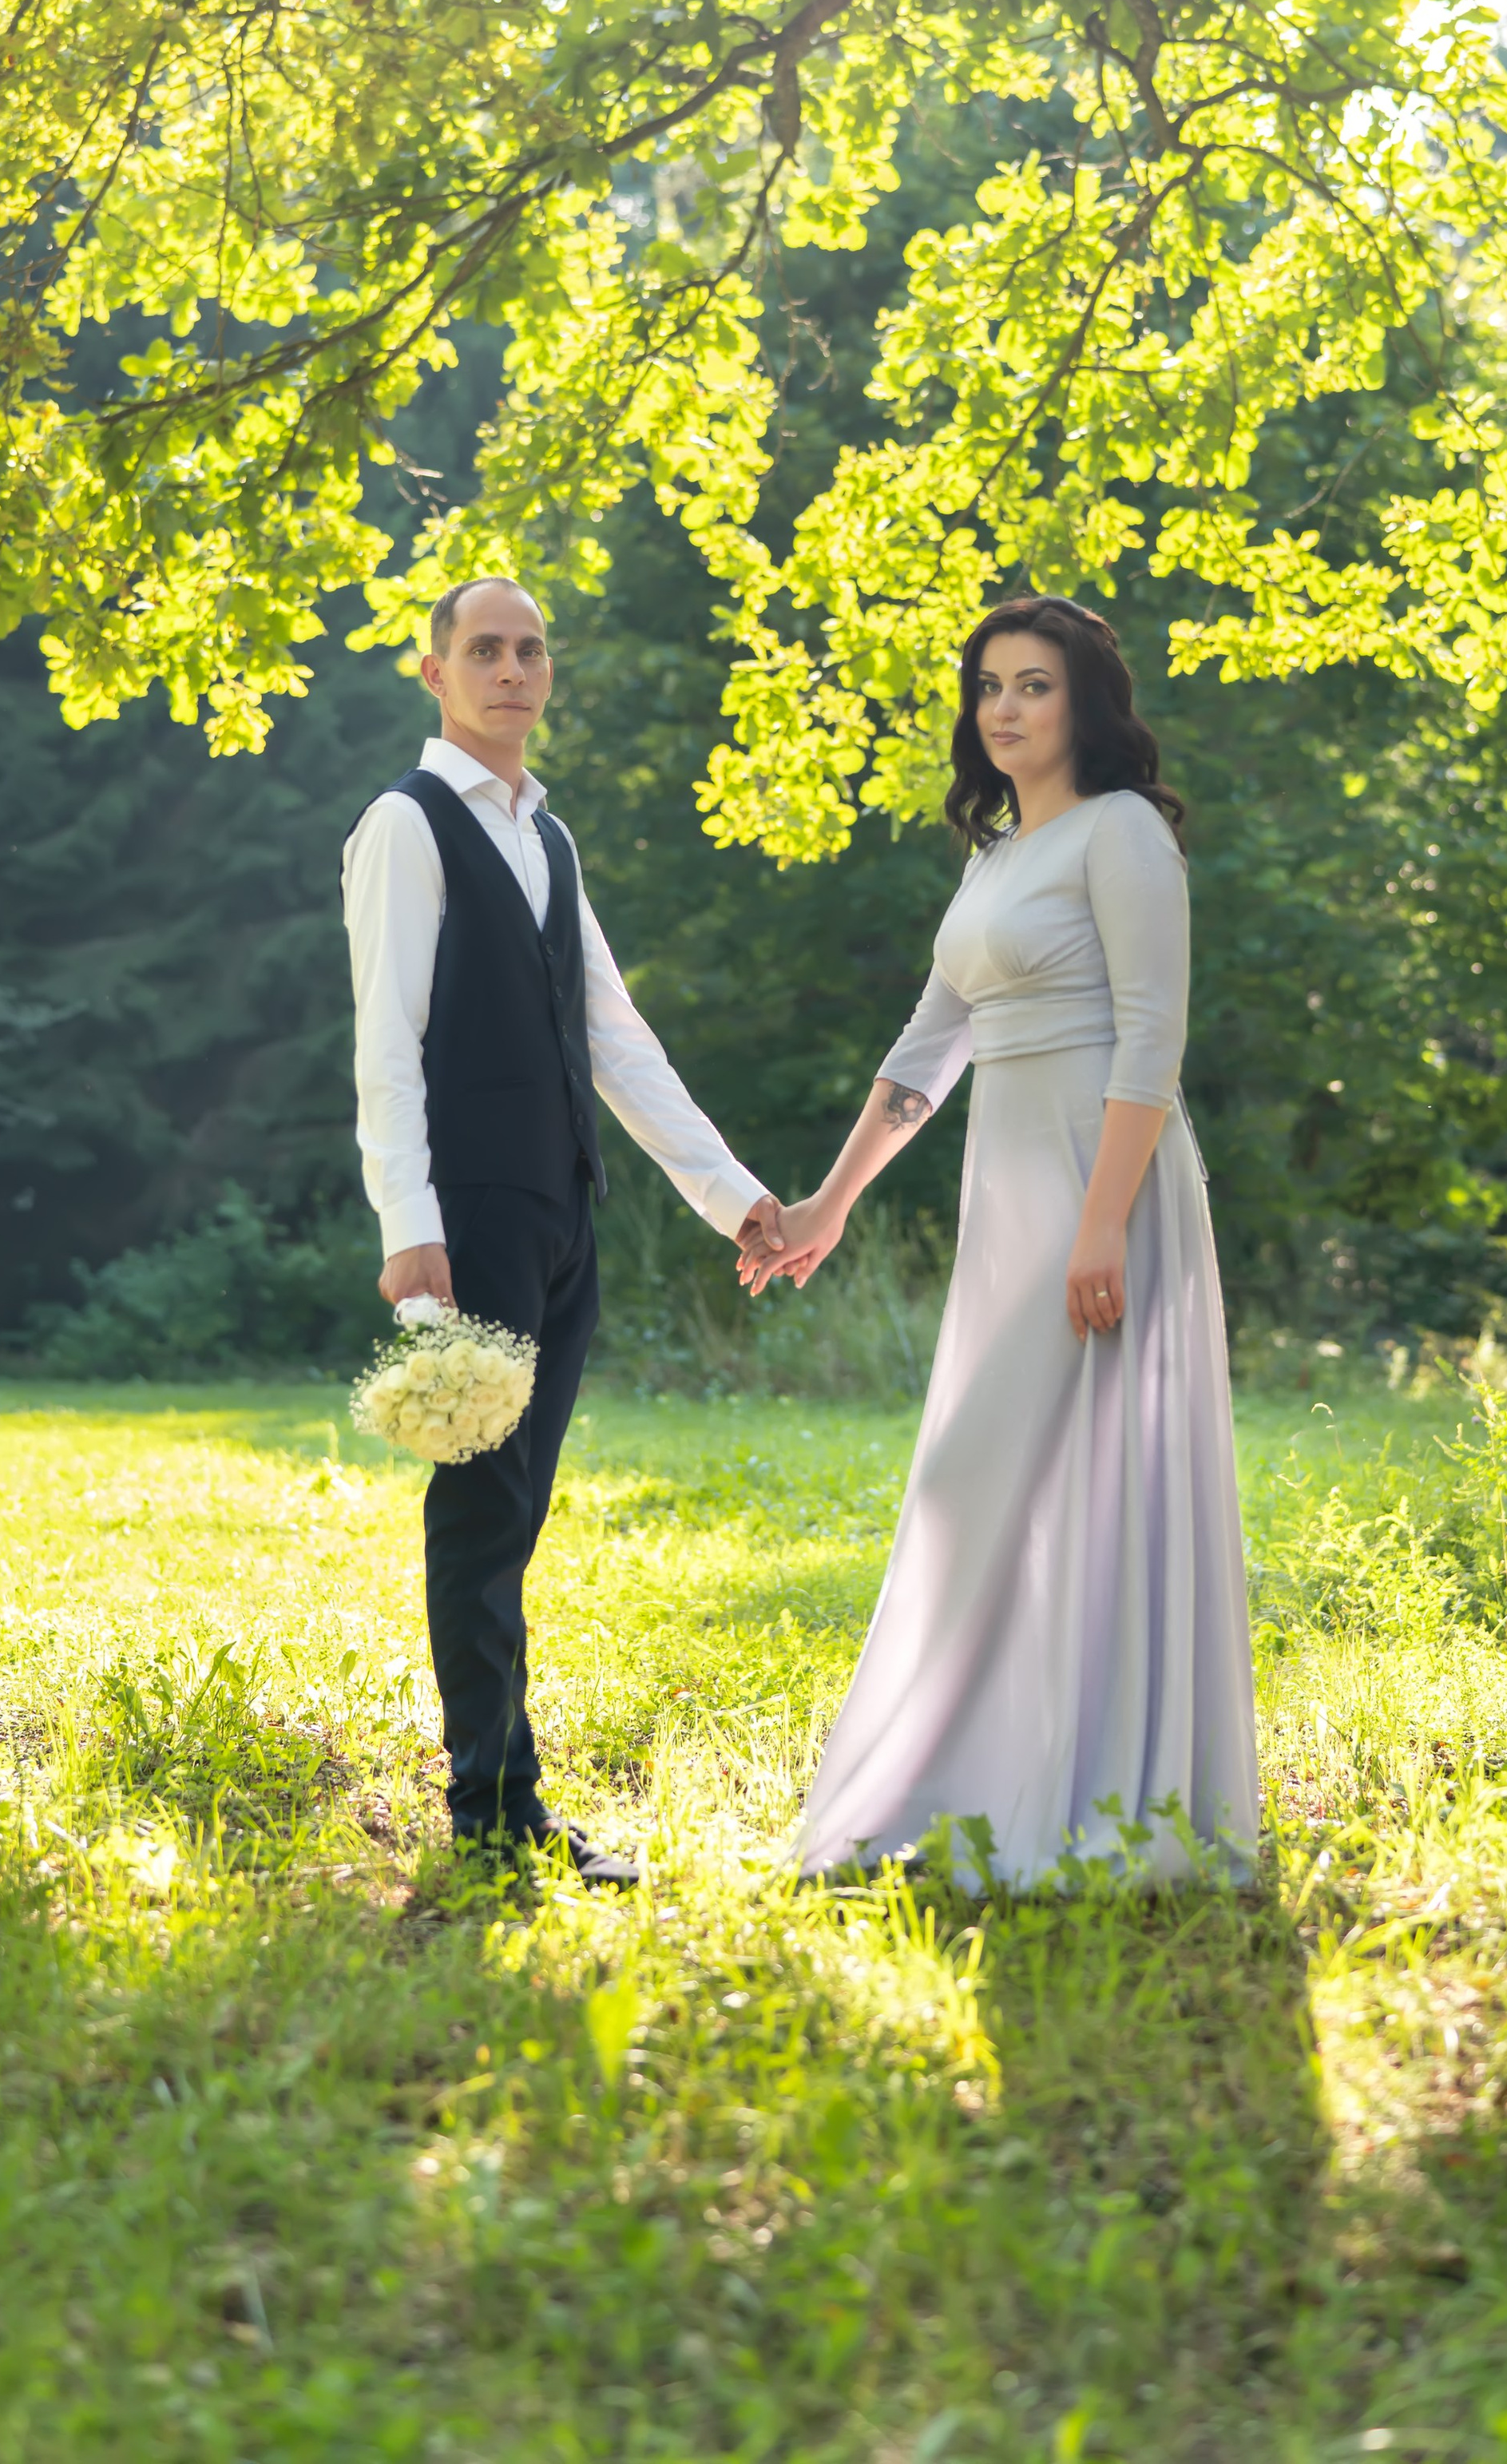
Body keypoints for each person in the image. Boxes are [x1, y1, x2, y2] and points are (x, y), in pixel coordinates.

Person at [740, 596, 1258, 1889]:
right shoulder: (992, 860)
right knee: (985, 1482)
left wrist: (1102, 1223)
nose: (1007, 707)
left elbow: (1153, 1034)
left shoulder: (1122, 832)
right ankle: (976, 1774)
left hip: (1108, 1181)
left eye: (1033, 683)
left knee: (1072, 1481)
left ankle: (1103, 1792)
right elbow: (927, 1050)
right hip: (1010, 1193)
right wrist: (830, 1201)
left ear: (1084, 699)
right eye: (989, 686)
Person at [344, 576, 785, 1884]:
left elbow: (615, 1040)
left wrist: (733, 1194)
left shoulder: (551, 836)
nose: (512, 668)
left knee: (517, 1512)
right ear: (436, 674)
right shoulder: (406, 825)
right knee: (480, 1514)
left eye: (532, 649)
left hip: (559, 1214)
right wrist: (406, 1226)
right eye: (485, 648)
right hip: (468, 1217)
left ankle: (505, 1797)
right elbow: (385, 1042)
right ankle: (493, 1816)